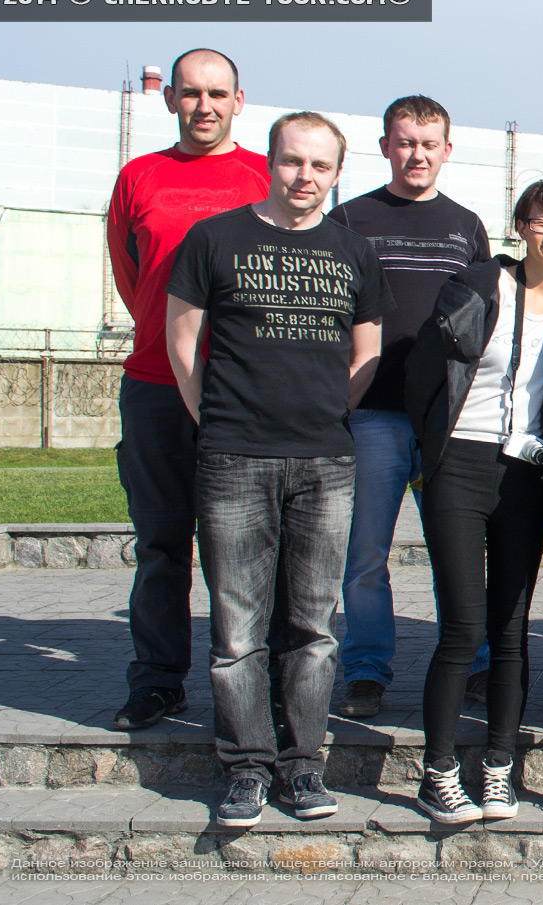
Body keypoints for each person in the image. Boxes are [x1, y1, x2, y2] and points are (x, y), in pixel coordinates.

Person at [163, 112, 393, 828]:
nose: (305, 176)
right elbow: (181, 341)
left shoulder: (354, 252)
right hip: (234, 457)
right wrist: (215, 419)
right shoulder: (214, 239)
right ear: (271, 162)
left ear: (337, 173)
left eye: (320, 166)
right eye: (294, 161)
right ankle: (245, 767)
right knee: (238, 628)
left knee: (313, 626)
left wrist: (325, 412)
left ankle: (301, 764)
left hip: (325, 460)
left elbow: (368, 351)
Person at [402, 177, 543, 823]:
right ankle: (438, 771)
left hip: (527, 473)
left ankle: (499, 766)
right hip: (459, 461)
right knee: (462, 626)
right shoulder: (478, 286)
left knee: (510, 627)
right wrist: (431, 450)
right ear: (520, 225)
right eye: (542, 221)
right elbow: (423, 374)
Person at [106, 48, 270, 731]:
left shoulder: (267, 175)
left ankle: (251, 686)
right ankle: (158, 679)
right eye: (192, 92)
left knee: (249, 551)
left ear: (239, 100)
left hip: (243, 390)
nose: (205, 105)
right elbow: (131, 276)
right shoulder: (138, 178)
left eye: (218, 93)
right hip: (155, 383)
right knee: (161, 542)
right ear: (170, 97)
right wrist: (171, 341)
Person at [328, 95, 491, 721]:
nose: (416, 155)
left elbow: (484, 322)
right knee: (366, 553)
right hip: (373, 413)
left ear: (447, 150)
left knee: (458, 551)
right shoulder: (350, 219)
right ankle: (366, 669)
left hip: (446, 420)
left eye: (428, 144)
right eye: (405, 142)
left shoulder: (466, 227)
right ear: (385, 147)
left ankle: (474, 663)